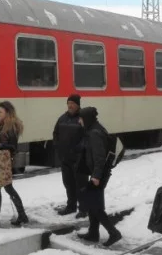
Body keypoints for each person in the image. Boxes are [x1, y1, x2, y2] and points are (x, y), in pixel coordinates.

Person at [76, 107, 122, 247]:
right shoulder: (95, 128)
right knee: (93, 203)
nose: (79, 121)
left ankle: (114, 233)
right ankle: (93, 233)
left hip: (100, 174)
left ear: (87, 118)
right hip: (99, 172)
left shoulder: (95, 133)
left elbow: (99, 157)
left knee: (95, 207)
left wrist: (96, 176)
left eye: (81, 118)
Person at [0, 101, 29, 228]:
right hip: (1, 159)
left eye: (1, 112)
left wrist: (0, 145)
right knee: (2, 188)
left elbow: (13, 147)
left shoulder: (12, 126)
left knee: (3, 188)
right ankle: (20, 216)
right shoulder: (2, 125)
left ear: (7, 112)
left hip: (5, 160)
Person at [53, 94, 86, 218]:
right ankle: (71, 206)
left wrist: (79, 149)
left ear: (78, 105)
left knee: (81, 185)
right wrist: (58, 148)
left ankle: (83, 209)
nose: (70, 105)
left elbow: (87, 136)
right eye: (69, 103)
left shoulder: (83, 118)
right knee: (68, 183)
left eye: (72, 103)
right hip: (65, 158)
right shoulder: (62, 119)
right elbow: (55, 133)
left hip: (79, 159)